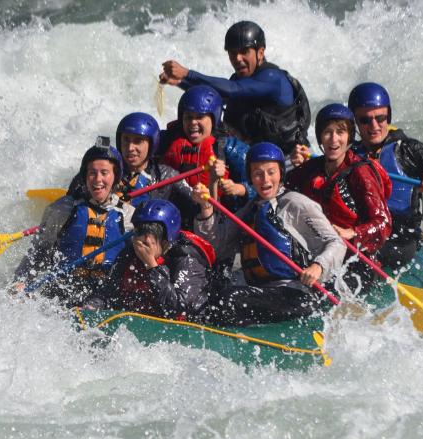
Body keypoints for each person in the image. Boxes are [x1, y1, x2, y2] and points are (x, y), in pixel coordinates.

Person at [191, 142, 346, 325]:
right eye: (258, 173)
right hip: (261, 292)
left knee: (229, 300)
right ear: (250, 177)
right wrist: (206, 208)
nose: (265, 180)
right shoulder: (251, 208)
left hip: (296, 294)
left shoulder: (296, 203)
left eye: (271, 172)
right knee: (214, 287)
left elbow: (337, 243)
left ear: (281, 173)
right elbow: (216, 245)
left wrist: (318, 266)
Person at [348, 82, 423, 271]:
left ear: (389, 116)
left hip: (401, 237)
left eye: (381, 118)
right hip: (362, 232)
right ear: (354, 121)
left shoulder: (409, 151)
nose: (374, 126)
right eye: (365, 120)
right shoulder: (348, 155)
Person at [159, 20, 311, 157]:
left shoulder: (273, 78)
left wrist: (187, 73)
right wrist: (180, 82)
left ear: (260, 52)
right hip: (250, 156)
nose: (237, 58)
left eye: (244, 51)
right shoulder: (238, 80)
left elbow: (233, 89)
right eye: (232, 53)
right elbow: (217, 98)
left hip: (286, 159)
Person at [14, 137, 135, 305]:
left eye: (104, 173)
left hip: (104, 296)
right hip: (61, 291)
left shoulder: (128, 216)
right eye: (92, 173)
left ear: (115, 177)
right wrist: (21, 280)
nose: (98, 179)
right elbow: (39, 251)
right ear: (85, 177)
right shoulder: (63, 209)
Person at [286, 104, 392, 258]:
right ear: (320, 137)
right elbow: (281, 191)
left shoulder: (361, 173)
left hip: (353, 256)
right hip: (316, 250)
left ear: (349, 136)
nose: (334, 139)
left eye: (340, 132)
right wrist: (288, 164)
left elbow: (383, 223)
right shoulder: (309, 169)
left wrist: (353, 232)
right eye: (327, 132)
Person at [85, 199, 215, 319]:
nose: (140, 247)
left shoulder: (188, 259)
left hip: (181, 329)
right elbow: (108, 291)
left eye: (147, 243)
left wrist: (152, 265)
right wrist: (93, 305)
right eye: (138, 236)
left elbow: (177, 307)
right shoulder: (130, 252)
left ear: (165, 242)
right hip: (140, 321)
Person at [68, 112, 194, 212]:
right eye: (126, 140)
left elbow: (197, 207)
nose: (130, 148)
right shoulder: (99, 172)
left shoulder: (167, 176)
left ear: (152, 144)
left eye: (138, 141)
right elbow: (68, 204)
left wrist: (211, 186)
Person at [158, 85, 250, 218]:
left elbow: (260, 181)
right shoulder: (167, 140)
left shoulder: (229, 147)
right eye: (188, 117)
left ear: (214, 119)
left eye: (200, 117)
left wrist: (241, 189)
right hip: (176, 215)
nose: (193, 122)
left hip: (219, 218)